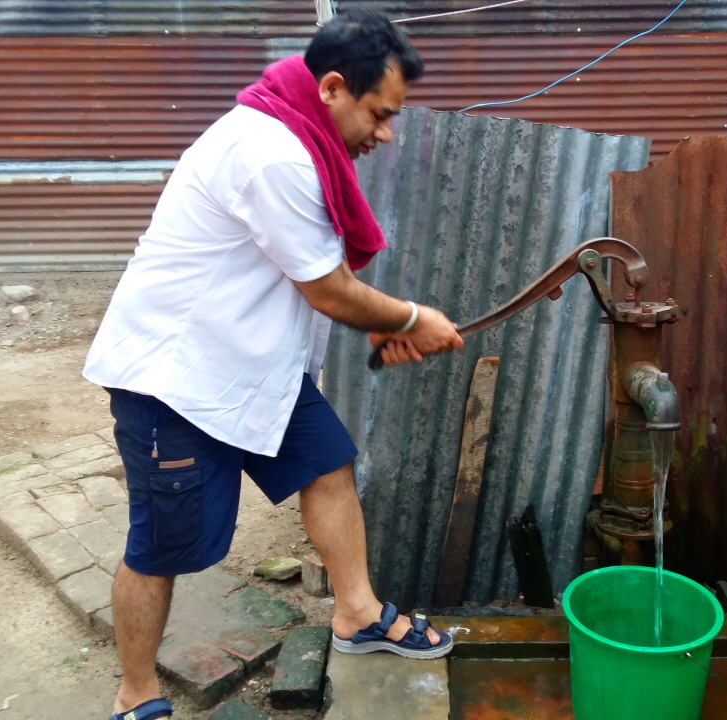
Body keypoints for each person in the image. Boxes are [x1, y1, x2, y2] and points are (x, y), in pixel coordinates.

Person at [82, 9, 463, 720]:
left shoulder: (294, 133)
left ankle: (356, 613)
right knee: (161, 546)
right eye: (379, 115)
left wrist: (381, 329)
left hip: (252, 362)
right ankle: (136, 696)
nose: (385, 134)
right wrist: (413, 320)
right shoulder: (275, 154)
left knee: (327, 464)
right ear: (332, 89)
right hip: (177, 380)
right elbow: (327, 288)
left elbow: (304, 279)